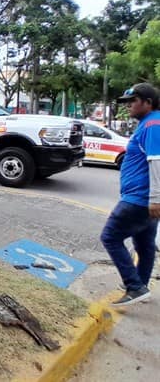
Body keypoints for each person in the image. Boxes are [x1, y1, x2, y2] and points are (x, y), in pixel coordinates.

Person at [100, 83, 160, 306]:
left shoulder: (153, 124)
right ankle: (139, 285)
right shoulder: (151, 123)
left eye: (133, 101)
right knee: (144, 246)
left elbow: (157, 163)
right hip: (145, 200)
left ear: (148, 102)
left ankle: (134, 286)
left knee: (110, 237)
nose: (128, 107)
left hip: (140, 199)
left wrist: (155, 199)